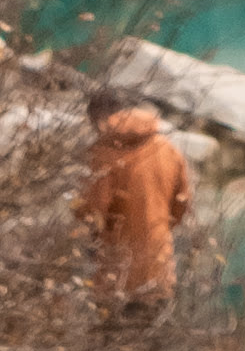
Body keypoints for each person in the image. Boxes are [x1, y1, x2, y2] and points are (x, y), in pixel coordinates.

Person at [82, 95, 194, 314]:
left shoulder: (101, 154)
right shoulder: (167, 149)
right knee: (152, 340)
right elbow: (181, 205)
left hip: (116, 272)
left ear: (97, 119)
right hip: (158, 267)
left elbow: (93, 213)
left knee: (113, 341)